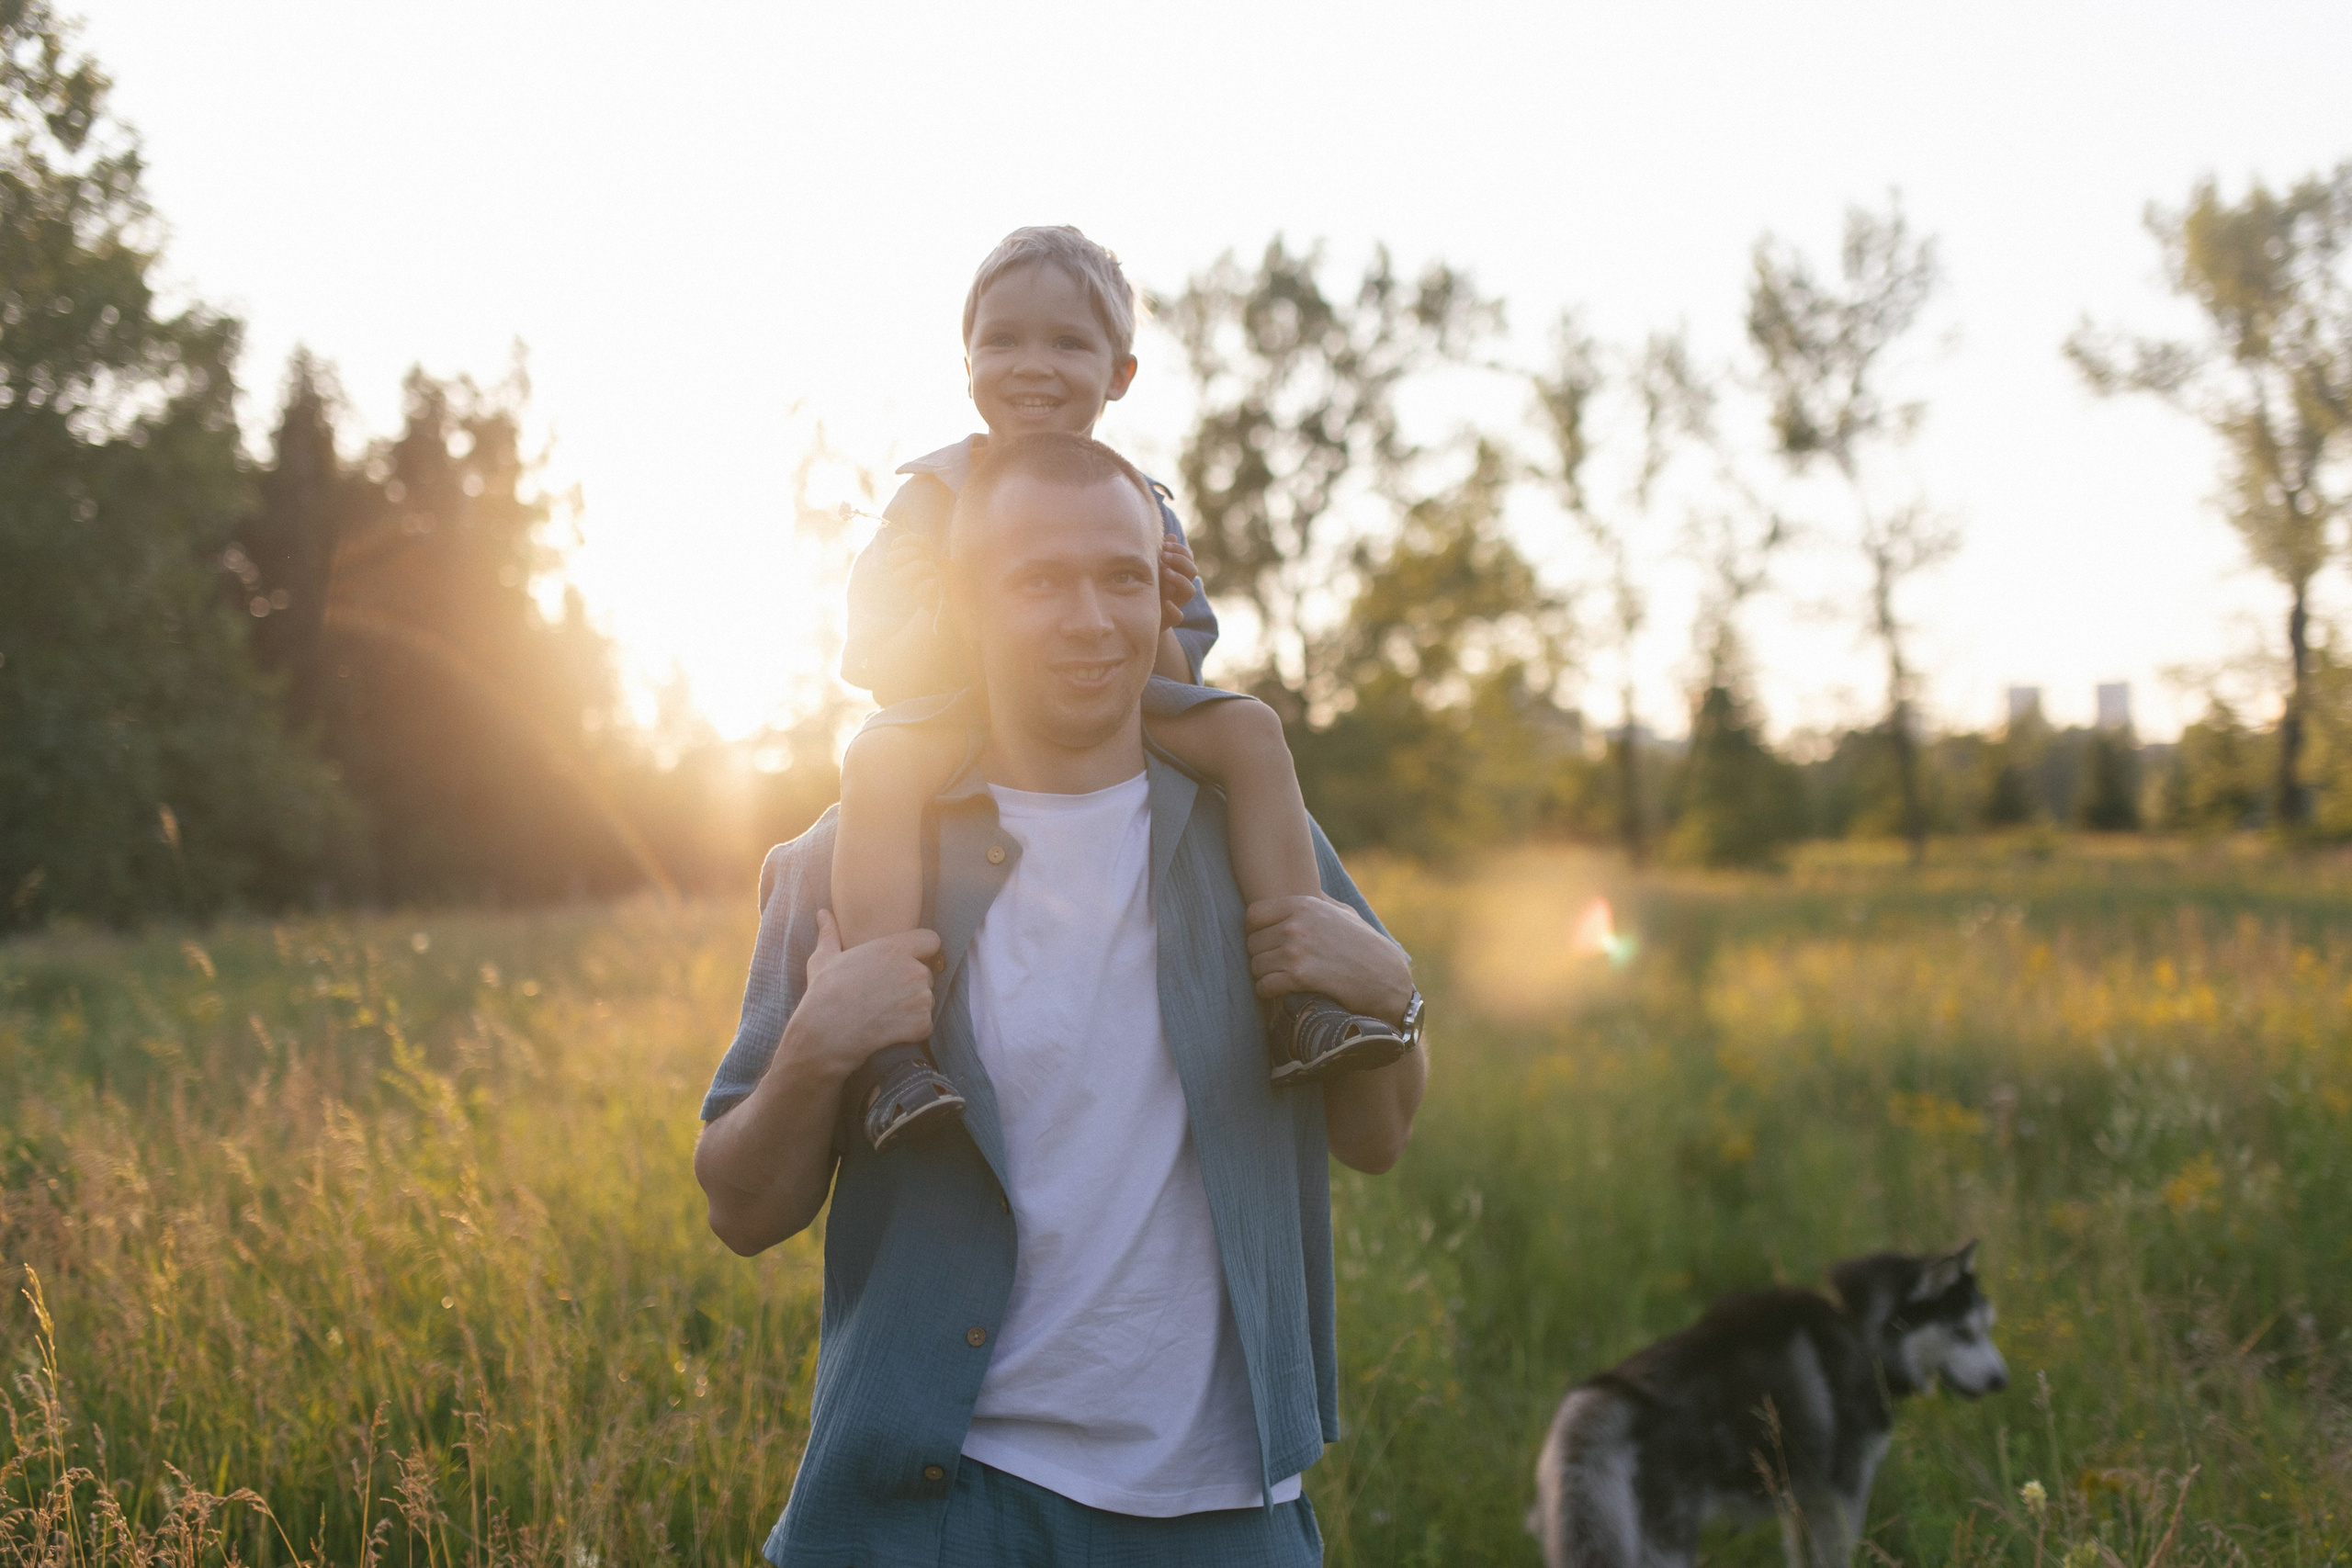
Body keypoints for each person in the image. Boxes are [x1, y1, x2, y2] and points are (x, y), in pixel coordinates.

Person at [695, 433, 1429, 1565]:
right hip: (933, 1506)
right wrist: (817, 1050)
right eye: (1041, 580)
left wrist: (1398, 1003)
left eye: (1122, 576)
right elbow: (741, 1210)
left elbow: (1376, 1137)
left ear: (1162, 589)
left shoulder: (1255, 835)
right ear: (969, 605)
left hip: (1226, 1511)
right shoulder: (850, 860)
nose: (1092, 619)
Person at [831, 225, 1406, 1155]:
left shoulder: (1140, 504)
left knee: (1251, 731)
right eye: (1004, 340)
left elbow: (1174, 681)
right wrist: (958, 604)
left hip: (1101, 722)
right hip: (956, 723)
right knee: (879, 762)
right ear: (966, 358)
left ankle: (1301, 997)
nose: (1032, 365)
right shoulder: (929, 500)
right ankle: (889, 1053)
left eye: (1068, 343)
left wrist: (1155, 612)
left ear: (1119, 375)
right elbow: (873, 661)